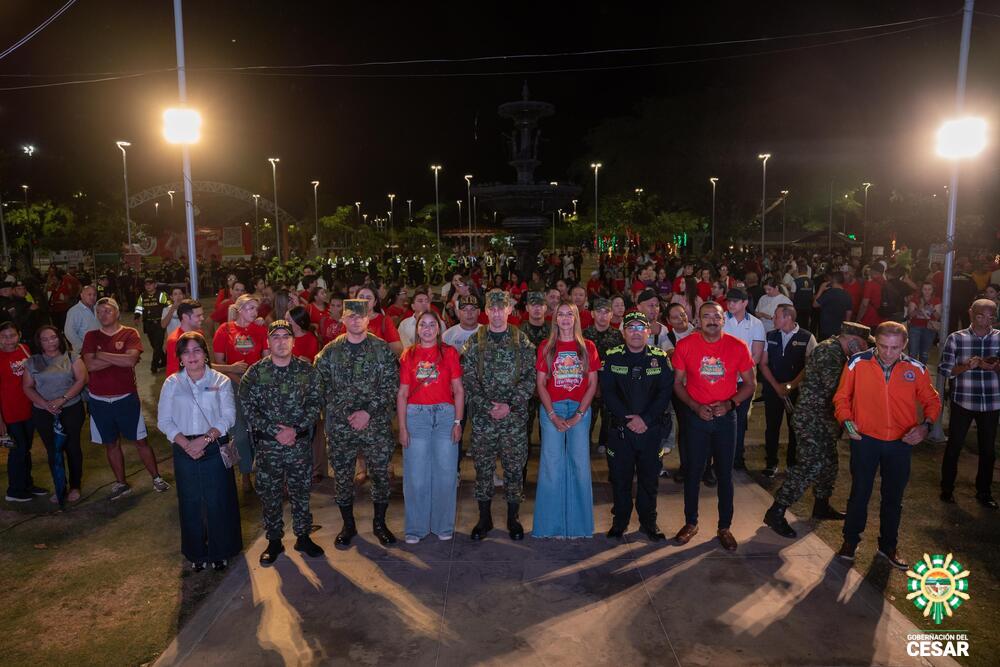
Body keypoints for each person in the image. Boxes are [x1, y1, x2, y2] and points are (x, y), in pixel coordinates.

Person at [833, 321, 941, 568]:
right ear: (875, 342)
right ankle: (850, 541)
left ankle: (888, 547)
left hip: (900, 443)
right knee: (859, 493)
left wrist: (925, 427)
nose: (888, 353)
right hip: (865, 440)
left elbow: (932, 402)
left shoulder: (916, 368)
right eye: (883, 346)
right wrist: (847, 422)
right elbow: (841, 398)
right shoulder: (857, 363)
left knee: (893, 498)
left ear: (904, 344)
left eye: (894, 347)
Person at [763, 322, 872, 539]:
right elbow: (837, 387)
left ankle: (821, 505)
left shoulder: (839, 352)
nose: (862, 349)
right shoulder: (828, 352)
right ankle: (776, 510)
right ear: (850, 339)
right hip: (811, 420)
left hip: (825, 420)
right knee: (810, 465)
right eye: (860, 344)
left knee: (829, 464)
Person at [314, 299, 400, 546]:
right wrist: (346, 413)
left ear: (368, 319)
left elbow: (391, 385)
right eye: (350, 316)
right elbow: (321, 387)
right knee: (342, 476)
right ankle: (348, 525)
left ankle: (379, 524)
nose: (355, 320)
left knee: (381, 475)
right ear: (342, 319)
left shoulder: (381, 349)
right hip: (341, 426)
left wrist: (368, 412)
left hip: (375, 425)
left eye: (360, 317)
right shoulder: (330, 352)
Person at [672, 302, 756, 551]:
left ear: (723, 320)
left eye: (716, 316)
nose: (711, 320)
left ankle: (724, 526)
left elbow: (751, 383)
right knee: (693, 472)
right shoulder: (685, 345)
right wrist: (695, 406)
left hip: (725, 419)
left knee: (724, 474)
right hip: (696, 417)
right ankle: (691, 522)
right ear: (697, 320)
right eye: (706, 316)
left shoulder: (737, 346)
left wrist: (731, 404)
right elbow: (677, 384)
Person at [240, 320, 325, 565]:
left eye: (285, 336)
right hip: (269, 446)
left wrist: (295, 429)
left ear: (293, 341)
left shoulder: (307, 371)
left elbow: (315, 404)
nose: (280, 341)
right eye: (275, 337)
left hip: (298, 444)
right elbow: (248, 408)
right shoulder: (255, 373)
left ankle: (303, 536)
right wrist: (274, 431)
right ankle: (274, 540)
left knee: (301, 492)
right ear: (268, 342)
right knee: (270, 494)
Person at [157, 332, 241, 571]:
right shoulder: (172, 383)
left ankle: (221, 551)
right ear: (180, 358)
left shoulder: (220, 381)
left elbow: (228, 417)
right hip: (184, 449)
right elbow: (164, 420)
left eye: (197, 350)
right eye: (186, 351)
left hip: (213, 447)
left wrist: (204, 440)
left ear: (205, 354)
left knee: (218, 500)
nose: (192, 356)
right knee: (191, 502)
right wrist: (186, 444)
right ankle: (196, 553)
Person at [461, 290, 537, 541]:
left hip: (513, 419)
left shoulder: (520, 339)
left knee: (514, 469)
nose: (495, 313)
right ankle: (484, 519)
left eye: (500, 308)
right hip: (484, 419)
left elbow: (530, 377)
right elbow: (468, 378)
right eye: (491, 309)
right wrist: (487, 406)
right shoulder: (475, 341)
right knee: (483, 469)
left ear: (508, 310)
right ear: (486, 310)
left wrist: (509, 405)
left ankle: (513, 518)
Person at [82, 298, 169, 500]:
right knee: (111, 444)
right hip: (99, 400)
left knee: (141, 440)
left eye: (108, 310)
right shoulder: (91, 336)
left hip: (126, 398)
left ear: (117, 312)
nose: (104, 314)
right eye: (100, 311)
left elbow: (130, 360)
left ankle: (156, 477)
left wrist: (101, 355)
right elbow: (90, 366)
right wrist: (118, 358)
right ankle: (121, 483)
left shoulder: (130, 333)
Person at [599, 311, 674, 540]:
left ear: (648, 332)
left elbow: (664, 394)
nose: (635, 332)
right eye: (630, 328)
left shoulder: (660, 358)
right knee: (620, 480)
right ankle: (619, 523)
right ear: (623, 332)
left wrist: (645, 420)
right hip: (620, 431)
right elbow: (608, 393)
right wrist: (628, 420)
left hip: (651, 431)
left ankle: (649, 523)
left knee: (649, 481)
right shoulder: (612, 357)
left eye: (640, 328)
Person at [533, 301, 600, 538]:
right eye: (560, 314)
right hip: (553, 407)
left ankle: (579, 527)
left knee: (579, 464)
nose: (564, 318)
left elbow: (592, 384)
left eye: (569, 315)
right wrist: (551, 413)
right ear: (555, 319)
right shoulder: (546, 346)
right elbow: (541, 384)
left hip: (579, 409)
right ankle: (549, 526)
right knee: (551, 465)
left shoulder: (587, 347)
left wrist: (580, 414)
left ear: (575, 319)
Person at [397, 311, 464, 543]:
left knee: (445, 474)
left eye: (432, 324)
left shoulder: (449, 353)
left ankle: (443, 525)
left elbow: (458, 390)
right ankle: (415, 528)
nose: (427, 329)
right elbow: (403, 393)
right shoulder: (409, 354)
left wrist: (458, 421)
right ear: (417, 329)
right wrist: (403, 427)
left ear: (439, 327)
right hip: (417, 416)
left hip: (445, 416)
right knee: (416, 476)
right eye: (422, 325)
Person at [938, 299, 1000, 508]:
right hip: (963, 400)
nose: (985, 321)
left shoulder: (999, 338)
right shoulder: (956, 338)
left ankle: (984, 492)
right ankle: (947, 488)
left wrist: (993, 368)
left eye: (990, 316)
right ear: (971, 313)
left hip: (991, 402)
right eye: (981, 315)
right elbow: (944, 369)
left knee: (988, 451)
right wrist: (965, 366)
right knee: (954, 446)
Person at [22, 325, 88, 504]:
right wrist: (44, 404)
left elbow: (82, 380)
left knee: (72, 447)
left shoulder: (72, 357)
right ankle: (60, 485)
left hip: (70, 408)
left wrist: (62, 399)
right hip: (43, 412)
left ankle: (75, 485)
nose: (50, 342)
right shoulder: (33, 361)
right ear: (39, 342)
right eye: (45, 339)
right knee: (53, 450)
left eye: (53, 338)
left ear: (59, 338)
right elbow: (27, 386)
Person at [213, 294, 268, 483]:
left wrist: (256, 382)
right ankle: (245, 473)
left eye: (256, 309)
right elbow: (218, 364)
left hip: (257, 386)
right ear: (240, 310)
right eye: (251, 308)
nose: (255, 312)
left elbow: (266, 360)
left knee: (262, 429)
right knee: (240, 432)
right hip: (233, 386)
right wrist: (237, 377)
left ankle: (264, 470)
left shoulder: (260, 330)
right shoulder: (224, 330)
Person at [759, 305, 817, 477]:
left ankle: (792, 463)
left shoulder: (807, 337)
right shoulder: (770, 336)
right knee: (772, 427)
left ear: (788, 318)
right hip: (772, 390)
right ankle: (771, 463)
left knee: (795, 428)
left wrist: (791, 385)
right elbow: (763, 364)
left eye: (776, 316)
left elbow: (810, 365)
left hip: (796, 392)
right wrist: (776, 386)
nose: (773, 319)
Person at [1, 321, 48, 502]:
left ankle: (27, 484)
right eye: (4, 336)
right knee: (18, 450)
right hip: (9, 412)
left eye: (12, 335)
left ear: (19, 334)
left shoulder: (24, 349)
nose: (9, 340)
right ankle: (14, 490)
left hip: (28, 408)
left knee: (26, 449)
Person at [722, 287, 765, 472]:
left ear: (745, 303)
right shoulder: (721, 319)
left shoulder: (756, 324)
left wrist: (741, 370)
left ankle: (737, 457)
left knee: (739, 420)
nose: (730, 304)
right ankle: (720, 458)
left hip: (744, 381)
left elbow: (757, 353)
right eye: (729, 301)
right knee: (721, 419)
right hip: (721, 378)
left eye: (735, 301)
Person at [583, 298, 624, 455]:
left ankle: (604, 444)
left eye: (606, 312)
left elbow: (620, 363)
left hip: (610, 385)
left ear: (611, 314)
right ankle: (584, 445)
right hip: (588, 386)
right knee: (587, 419)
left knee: (609, 418)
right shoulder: (584, 335)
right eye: (598, 312)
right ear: (592, 314)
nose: (602, 315)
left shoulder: (618, 336)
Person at [134, 277, 170, 373]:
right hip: (148, 324)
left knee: (158, 345)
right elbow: (139, 307)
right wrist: (136, 317)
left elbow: (169, 307)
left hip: (159, 323)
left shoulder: (161, 295)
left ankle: (154, 366)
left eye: (150, 284)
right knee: (154, 345)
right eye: (146, 284)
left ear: (155, 285)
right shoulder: (143, 296)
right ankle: (165, 360)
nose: (148, 286)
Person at [165, 299, 205, 376]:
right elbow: (175, 373)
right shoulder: (175, 340)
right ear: (185, 317)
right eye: (198, 316)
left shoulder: (199, 333)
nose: (202, 318)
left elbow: (203, 363)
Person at [905, 282, 941, 364]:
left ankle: (922, 371)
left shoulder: (936, 300)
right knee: (913, 352)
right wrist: (919, 309)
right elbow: (910, 315)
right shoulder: (915, 299)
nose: (927, 291)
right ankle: (911, 372)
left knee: (925, 353)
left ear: (932, 290)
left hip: (929, 328)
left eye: (929, 289)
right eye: (925, 289)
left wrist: (932, 309)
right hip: (915, 327)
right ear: (921, 290)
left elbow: (938, 317)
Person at [814, 272, 854, 341]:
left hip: (826, 330)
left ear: (833, 280)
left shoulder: (829, 293)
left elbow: (815, 304)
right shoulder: (847, 295)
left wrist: (821, 289)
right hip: (839, 331)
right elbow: (848, 316)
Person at [64, 284, 99, 352]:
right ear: (82, 295)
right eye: (89, 294)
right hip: (84, 350)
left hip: (99, 347)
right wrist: (81, 347)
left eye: (94, 295)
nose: (92, 297)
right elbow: (69, 332)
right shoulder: (74, 311)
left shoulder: (97, 308)